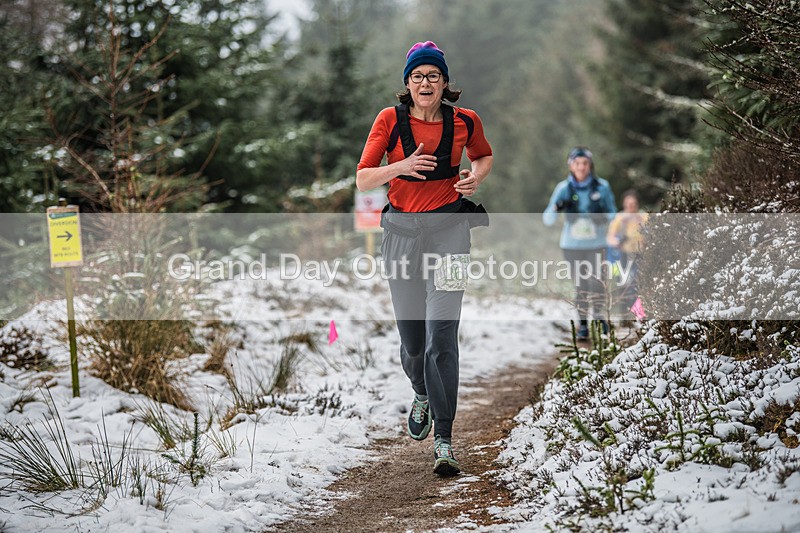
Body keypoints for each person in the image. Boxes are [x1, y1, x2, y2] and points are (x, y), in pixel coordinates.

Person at [356, 41, 493, 476]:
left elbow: (484, 156)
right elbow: (362, 179)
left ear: (445, 82)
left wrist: (475, 178)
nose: (425, 83)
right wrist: (401, 167)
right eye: (417, 76)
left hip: (451, 234)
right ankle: (420, 392)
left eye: (433, 75)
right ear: (407, 84)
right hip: (400, 238)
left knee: (442, 337)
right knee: (414, 343)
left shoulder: (465, 121)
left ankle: (445, 440)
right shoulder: (388, 121)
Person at [543, 147, 617, 341]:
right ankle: (583, 326)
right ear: (571, 165)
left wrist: (603, 217)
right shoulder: (563, 189)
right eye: (577, 163)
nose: (581, 167)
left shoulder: (602, 187)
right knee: (581, 285)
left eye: (585, 163)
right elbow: (547, 219)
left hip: (597, 244)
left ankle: (601, 320)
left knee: (598, 282)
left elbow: (612, 213)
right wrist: (557, 207)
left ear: (590, 165)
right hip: (572, 246)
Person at [607, 189, 648, 311]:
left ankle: (637, 314)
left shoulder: (644, 217)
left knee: (636, 284)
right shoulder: (620, 218)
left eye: (633, 204)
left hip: (640, 255)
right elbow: (610, 237)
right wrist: (618, 241)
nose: (630, 207)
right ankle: (624, 315)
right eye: (628, 204)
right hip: (622, 256)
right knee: (623, 284)